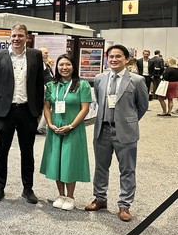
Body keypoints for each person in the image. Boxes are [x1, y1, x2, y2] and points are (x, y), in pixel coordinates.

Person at [85, 44, 148, 222]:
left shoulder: (137, 80)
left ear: (127, 59)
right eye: (111, 56)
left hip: (126, 132)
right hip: (102, 129)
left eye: (118, 56)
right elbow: (99, 101)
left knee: (127, 169)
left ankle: (124, 205)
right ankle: (100, 198)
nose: (114, 59)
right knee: (101, 167)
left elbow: (142, 106)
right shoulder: (99, 78)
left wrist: (128, 122)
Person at [0, 24, 44, 204]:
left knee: (28, 153)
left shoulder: (35, 55)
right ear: (9, 37)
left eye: (20, 35)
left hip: (27, 111)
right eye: (14, 36)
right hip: (5, 112)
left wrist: (38, 110)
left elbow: (39, 84)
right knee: (1, 152)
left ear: (27, 37)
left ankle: (28, 189)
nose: (16, 39)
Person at [39, 54, 92, 210]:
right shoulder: (51, 85)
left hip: (73, 128)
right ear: (57, 67)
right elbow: (47, 107)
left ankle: (70, 196)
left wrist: (71, 126)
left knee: (69, 161)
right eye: (61, 64)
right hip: (55, 128)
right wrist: (50, 124)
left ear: (73, 66)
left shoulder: (82, 85)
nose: (64, 67)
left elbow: (85, 109)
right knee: (56, 161)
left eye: (68, 64)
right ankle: (61, 195)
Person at [36, 47, 54, 134]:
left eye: (47, 53)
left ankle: (40, 127)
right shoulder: (38, 63)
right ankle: (41, 127)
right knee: (47, 107)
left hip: (49, 88)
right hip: (44, 89)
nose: (47, 54)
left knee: (45, 108)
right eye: (45, 53)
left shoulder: (45, 64)